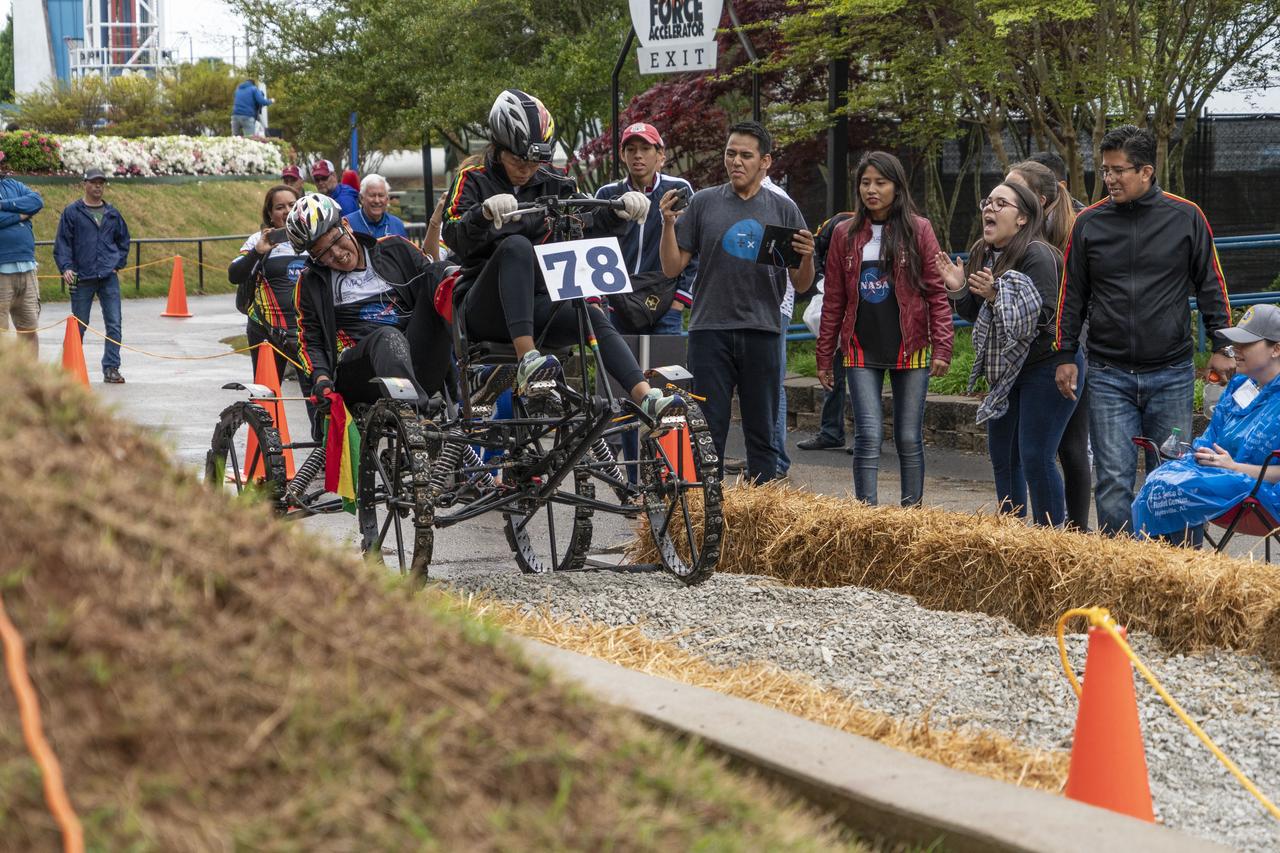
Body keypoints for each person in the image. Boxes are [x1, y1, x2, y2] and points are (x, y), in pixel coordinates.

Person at [442, 89, 686, 428]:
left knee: (589, 313)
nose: (526, 171)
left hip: (538, 305)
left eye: (534, 163)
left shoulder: (554, 182)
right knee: (515, 246)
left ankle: (645, 395)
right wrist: (482, 215)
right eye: (518, 161)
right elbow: (452, 233)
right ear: (498, 148)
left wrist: (621, 209)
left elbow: (589, 218)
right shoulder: (473, 179)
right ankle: (528, 359)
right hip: (485, 307)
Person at [1053, 125, 1235, 536]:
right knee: (1114, 482)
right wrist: (1065, 354)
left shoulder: (1186, 216)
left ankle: (1173, 570)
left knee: (1172, 480)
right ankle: (1124, 569)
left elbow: (1211, 283)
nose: (1110, 179)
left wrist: (1223, 344)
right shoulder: (1088, 223)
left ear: (1147, 171)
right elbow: (1072, 295)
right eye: (1105, 170)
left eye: (1119, 170)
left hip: (1170, 373)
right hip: (1107, 374)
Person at [659, 121, 815, 483]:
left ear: (766, 162)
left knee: (762, 431)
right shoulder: (703, 202)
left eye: (746, 155)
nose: (736, 162)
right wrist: (667, 224)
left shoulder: (783, 209)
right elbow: (672, 267)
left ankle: (760, 512)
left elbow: (801, 283)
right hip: (709, 329)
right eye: (731, 153)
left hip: (762, 328)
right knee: (707, 428)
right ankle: (703, 511)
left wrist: (806, 257)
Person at [937, 181, 1076, 525]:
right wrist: (957, 287)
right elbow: (977, 311)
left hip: (1047, 363)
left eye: (1002, 204)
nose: (990, 209)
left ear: (1023, 219)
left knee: (1035, 455)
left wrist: (996, 295)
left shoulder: (1039, 255)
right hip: (1006, 367)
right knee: (1003, 455)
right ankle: (1011, 532)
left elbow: (1043, 317)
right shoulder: (981, 251)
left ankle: (1050, 536)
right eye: (988, 202)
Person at [816, 151, 951, 506]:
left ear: (897, 186)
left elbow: (936, 291)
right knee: (868, 435)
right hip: (860, 347)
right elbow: (833, 299)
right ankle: (867, 515)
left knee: (909, 437)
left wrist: (943, 346)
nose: (871, 190)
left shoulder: (919, 229)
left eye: (880, 182)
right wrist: (824, 353)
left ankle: (912, 515)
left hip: (912, 345)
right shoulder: (844, 234)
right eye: (865, 182)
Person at [290, 193, 453, 413]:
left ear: (345, 224)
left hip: (415, 357)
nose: (337, 255)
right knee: (388, 337)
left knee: (441, 272)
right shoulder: (311, 283)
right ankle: (416, 415)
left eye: (336, 241)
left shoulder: (395, 249)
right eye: (323, 254)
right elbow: (309, 339)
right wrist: (321, 378)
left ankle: (474, 356)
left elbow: (435, 282)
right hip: (361, 373)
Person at [1133, 305, 1280, 542]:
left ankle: (1177, 565)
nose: (1236, 351)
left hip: (1262, 496)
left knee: (1176, 488)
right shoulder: (1240, 385)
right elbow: (1212, 437)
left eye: (1247, 344)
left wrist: (1232, 467)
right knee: (1160, 481)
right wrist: (1195, 454)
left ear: (1276, 349)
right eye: (1236, 344)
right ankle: (1170, 567)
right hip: (1227, 482)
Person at [1005, 159, 1091, 530]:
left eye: (1015, 189)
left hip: (1071, 347)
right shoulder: (1020, 234)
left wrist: (1072, 349)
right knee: (1056, 447)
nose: (1004, 197)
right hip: (1042, 351)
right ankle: (1067, 531)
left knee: (1069, 447)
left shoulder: (1076, 227)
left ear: (1040, 198)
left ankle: (1074, 531)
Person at [227, 184, 317, 427]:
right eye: (280, 207)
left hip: (306, 332)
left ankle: (322, 455)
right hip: (266, 332)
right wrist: (257, 252)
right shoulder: (259, 239)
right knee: (265, 399)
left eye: (292, 205)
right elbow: (234, 275)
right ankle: (265, 455)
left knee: (317, 397)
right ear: (269, 213)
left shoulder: (315, 238)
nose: (287, 211)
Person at [594, 121, 695, 334]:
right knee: (620, 367)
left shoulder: (678, 189)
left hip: (665, 301)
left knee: (664, 367)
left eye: (646, 148)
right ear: (622, 155)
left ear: (660, 154)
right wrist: (599, 298)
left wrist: (680, 299)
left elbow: (693, 248)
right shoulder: (606, 194)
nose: (637, 155)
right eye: (631, 150)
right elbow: (594, 247)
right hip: (616, 303)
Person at [54, 168, 131, 384]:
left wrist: (118, 263)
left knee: (114, 323)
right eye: (94, 182)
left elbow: (124, 240)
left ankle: (112, 368)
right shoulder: (72, 212)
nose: (98, 187)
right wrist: (66, 267)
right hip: (81, 276)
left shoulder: (113, 213)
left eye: (101, 183)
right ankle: (69, 368)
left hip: (108, 276)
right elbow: (63, 243)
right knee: (78, 324)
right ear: (85, 184)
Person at [796, 211, 854, 452]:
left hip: (867, 312)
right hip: (835, 303)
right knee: (832, 374)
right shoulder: (837, 222)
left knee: (864, 379)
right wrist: (823, 279)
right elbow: (816, 251)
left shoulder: (883, 226)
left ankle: (867, 436)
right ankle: (831, 432)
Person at [0, 151, 44, 355]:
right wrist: (21, 215)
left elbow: (36, 201)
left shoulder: (14, 185)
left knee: (29, 330)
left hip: (27, 267)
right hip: (1, 271)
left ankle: (29, 382)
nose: (1, 166)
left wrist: (5, 207)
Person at [347, 173, 408, 239]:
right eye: (372, 195)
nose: (377, 201)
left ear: (387, 199)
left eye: (381, 195)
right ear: (361, 198)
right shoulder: (347, 224)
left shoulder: (397, 225)